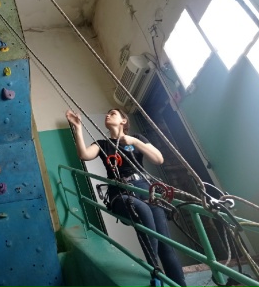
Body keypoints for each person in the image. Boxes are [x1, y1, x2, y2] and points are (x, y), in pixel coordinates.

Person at [65, 108, 186, 287]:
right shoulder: (102, 144)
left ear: (123, 121)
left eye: (113, 113)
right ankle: (154, 271)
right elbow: (84, 155)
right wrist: (77, 127)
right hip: (120, 193)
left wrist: (135, 142)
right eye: (107, 113)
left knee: (165, 245)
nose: (107, 115)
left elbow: (158, 159)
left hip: (145, 188)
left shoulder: (137, 139)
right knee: (142, 209)